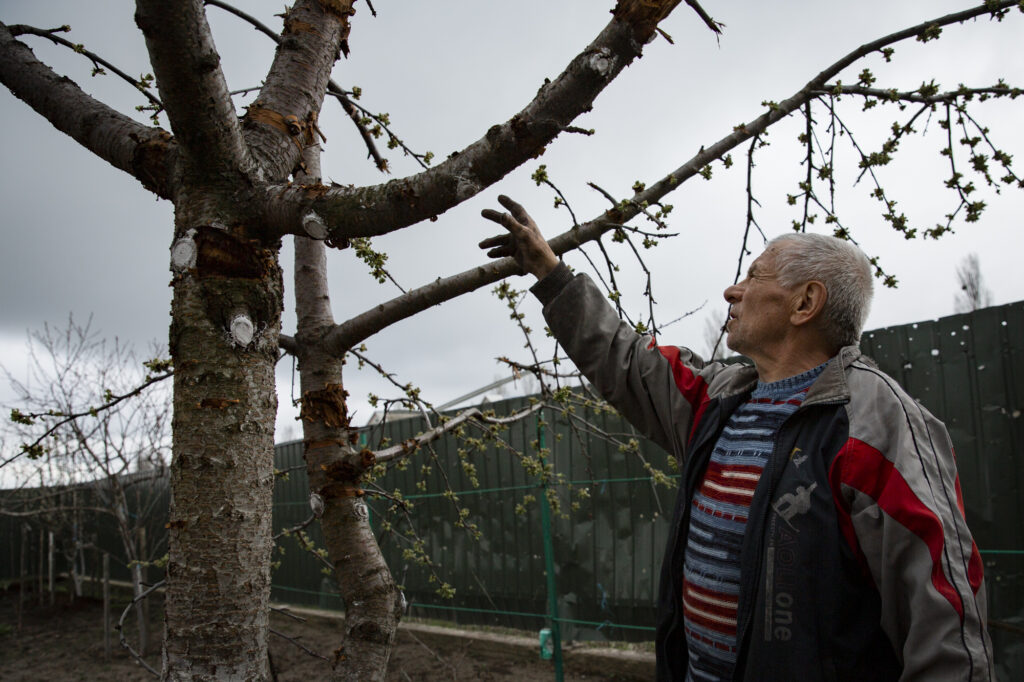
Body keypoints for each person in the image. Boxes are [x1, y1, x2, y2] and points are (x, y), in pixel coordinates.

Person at [480, 195, 993, 682]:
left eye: (754, 276)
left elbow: (943, 615)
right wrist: (551, 273)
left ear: (805, 302)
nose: (732, 291)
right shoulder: (718, 398)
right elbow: (626, 360)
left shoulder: (876, 423)